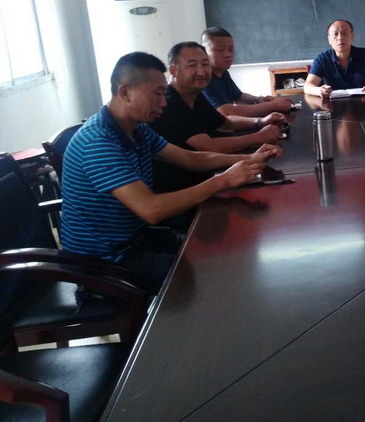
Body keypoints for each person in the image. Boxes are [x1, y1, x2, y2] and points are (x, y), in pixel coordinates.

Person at [60, 52, 282, 294]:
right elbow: (151, 209)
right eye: (156, 94)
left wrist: (248, 159)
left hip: (135, 239)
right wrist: (223, 180)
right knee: (208, 281)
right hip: (104, 262)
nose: (163, 103)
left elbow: (190, 158)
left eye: (164, 94)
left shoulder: (138, 129)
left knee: (221, 257)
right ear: (125, 92)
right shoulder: (98, 142)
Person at [150, 41, 287, 194]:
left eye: (205, 64)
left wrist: (260, 122)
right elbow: (209, 146)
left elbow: (225, 122)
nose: (201, 71)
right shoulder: (169, 103)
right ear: (173, 70)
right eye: (192, 65)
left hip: (204, 178)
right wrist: (257, 138)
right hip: (181, 190)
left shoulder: (194, 94)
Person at [201, 26, 294, 116]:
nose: (228, 54)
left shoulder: (223, 73)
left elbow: (239, 98)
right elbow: (227, 112)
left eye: (230, 49)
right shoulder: (205, 78)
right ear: (203, 52)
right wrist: (272, 106)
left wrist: (260, 99)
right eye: (220, 50)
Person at [304, 19, 365, 97]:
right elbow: (307, 86)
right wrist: (318, 90)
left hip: (362, 103)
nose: (340, 38)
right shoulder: (322, 59)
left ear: (352, 37)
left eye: (344, 33)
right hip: (332, 105)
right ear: (329, 39)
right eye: (335, 34)